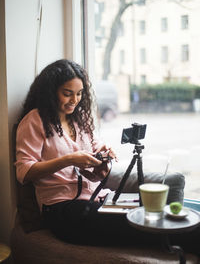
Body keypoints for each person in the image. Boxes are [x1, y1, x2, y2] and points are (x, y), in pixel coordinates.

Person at [15, 59, 199, 254]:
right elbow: (24, 172)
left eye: (79, 94)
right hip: (62, 209)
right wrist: (68, 160)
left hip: (97, 198)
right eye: (67, 94)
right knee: (141, 224)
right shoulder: (35, 120)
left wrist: (102, 164)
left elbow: (95, 174)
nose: (75, 100)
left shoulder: (79, 121)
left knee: (150, 215)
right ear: (51, 92)